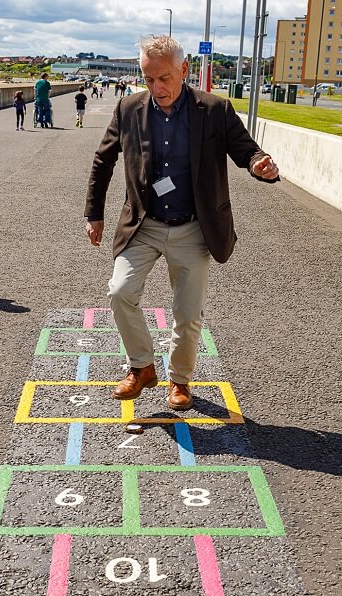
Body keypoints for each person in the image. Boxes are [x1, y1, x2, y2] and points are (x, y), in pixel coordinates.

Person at [85, 35, 279, 411]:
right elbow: (102, 161)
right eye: (148, 78)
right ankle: (141, 367)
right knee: (120, 291)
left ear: (185, 71)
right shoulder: (128, 109)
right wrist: (94, 213)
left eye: (165, 78)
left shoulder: (215, 110)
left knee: (187, 315)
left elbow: (246, 150)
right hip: (145, 224)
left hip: (193, 227)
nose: (157, 88)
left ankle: (179, 381)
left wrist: (260, 164)